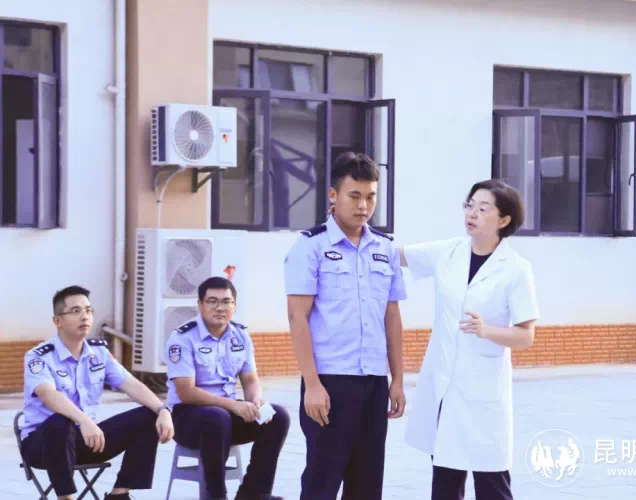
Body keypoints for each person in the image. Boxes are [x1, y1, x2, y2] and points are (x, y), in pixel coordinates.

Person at [399, 179, 539, 500]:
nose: (472, 213)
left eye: (483, 208)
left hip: (483, 394)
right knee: (445, 483)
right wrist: (356, 229)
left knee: (492, 485)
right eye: (469, 205)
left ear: (503, 220)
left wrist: (486, 330)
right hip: (445, 390)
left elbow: (526, 335)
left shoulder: (516, 269)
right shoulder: (448, 252)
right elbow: (398, 256)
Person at [284, 151, 408, 500]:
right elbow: (297, 317)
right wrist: (312, 385)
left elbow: (392, 317)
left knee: (367, 485)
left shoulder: (384, 248)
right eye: (354, 196)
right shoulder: (310, 246)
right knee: (322, 483)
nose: (363, 206)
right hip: (330, 382)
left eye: (370, 196)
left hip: (373, 381)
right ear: (333, 195)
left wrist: (397, 380)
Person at [20, 285, 175, 500]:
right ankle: (66, 497)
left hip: (87, 440)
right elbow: (48, 395)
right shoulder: (39, 356)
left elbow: (131, 384)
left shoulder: (99, 353)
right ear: (57, 320)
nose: (84, 316)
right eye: (76, 311)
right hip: (42, 446)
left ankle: (120, 494)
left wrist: (162, 410)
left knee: (148, 415)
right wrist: (83, 420)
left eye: (88, 310)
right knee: (60, 421)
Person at [165, 276, 290, 500]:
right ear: (200, 305)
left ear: (234, 306)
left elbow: (250, 380)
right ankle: (216, 496)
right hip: (186, 418)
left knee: (278, 416)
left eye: (226, 301)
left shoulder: (240, 335)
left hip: (225, 415)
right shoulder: (182, 337)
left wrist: (256, 400)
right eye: (212, 301)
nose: (219, 307)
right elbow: (186, 392)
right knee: (217, 417)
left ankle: (254, 493)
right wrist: (233, 405)